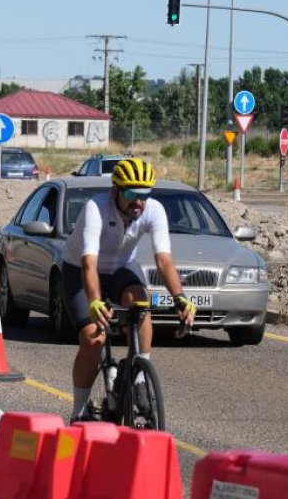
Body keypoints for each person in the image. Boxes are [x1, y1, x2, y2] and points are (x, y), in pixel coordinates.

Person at [60, 158, 197, 423]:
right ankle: (79, 410)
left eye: (144, 195)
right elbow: (89, 262)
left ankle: (139, 376)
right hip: (80, 270)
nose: (139, 202)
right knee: (94, 339)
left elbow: (164, 260)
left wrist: (180, 298)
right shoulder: (96, 208)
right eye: (132, 194)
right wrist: (95, 301)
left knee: (140, 307)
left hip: (122, 267)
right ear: (115, 191)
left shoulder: (153, 210)